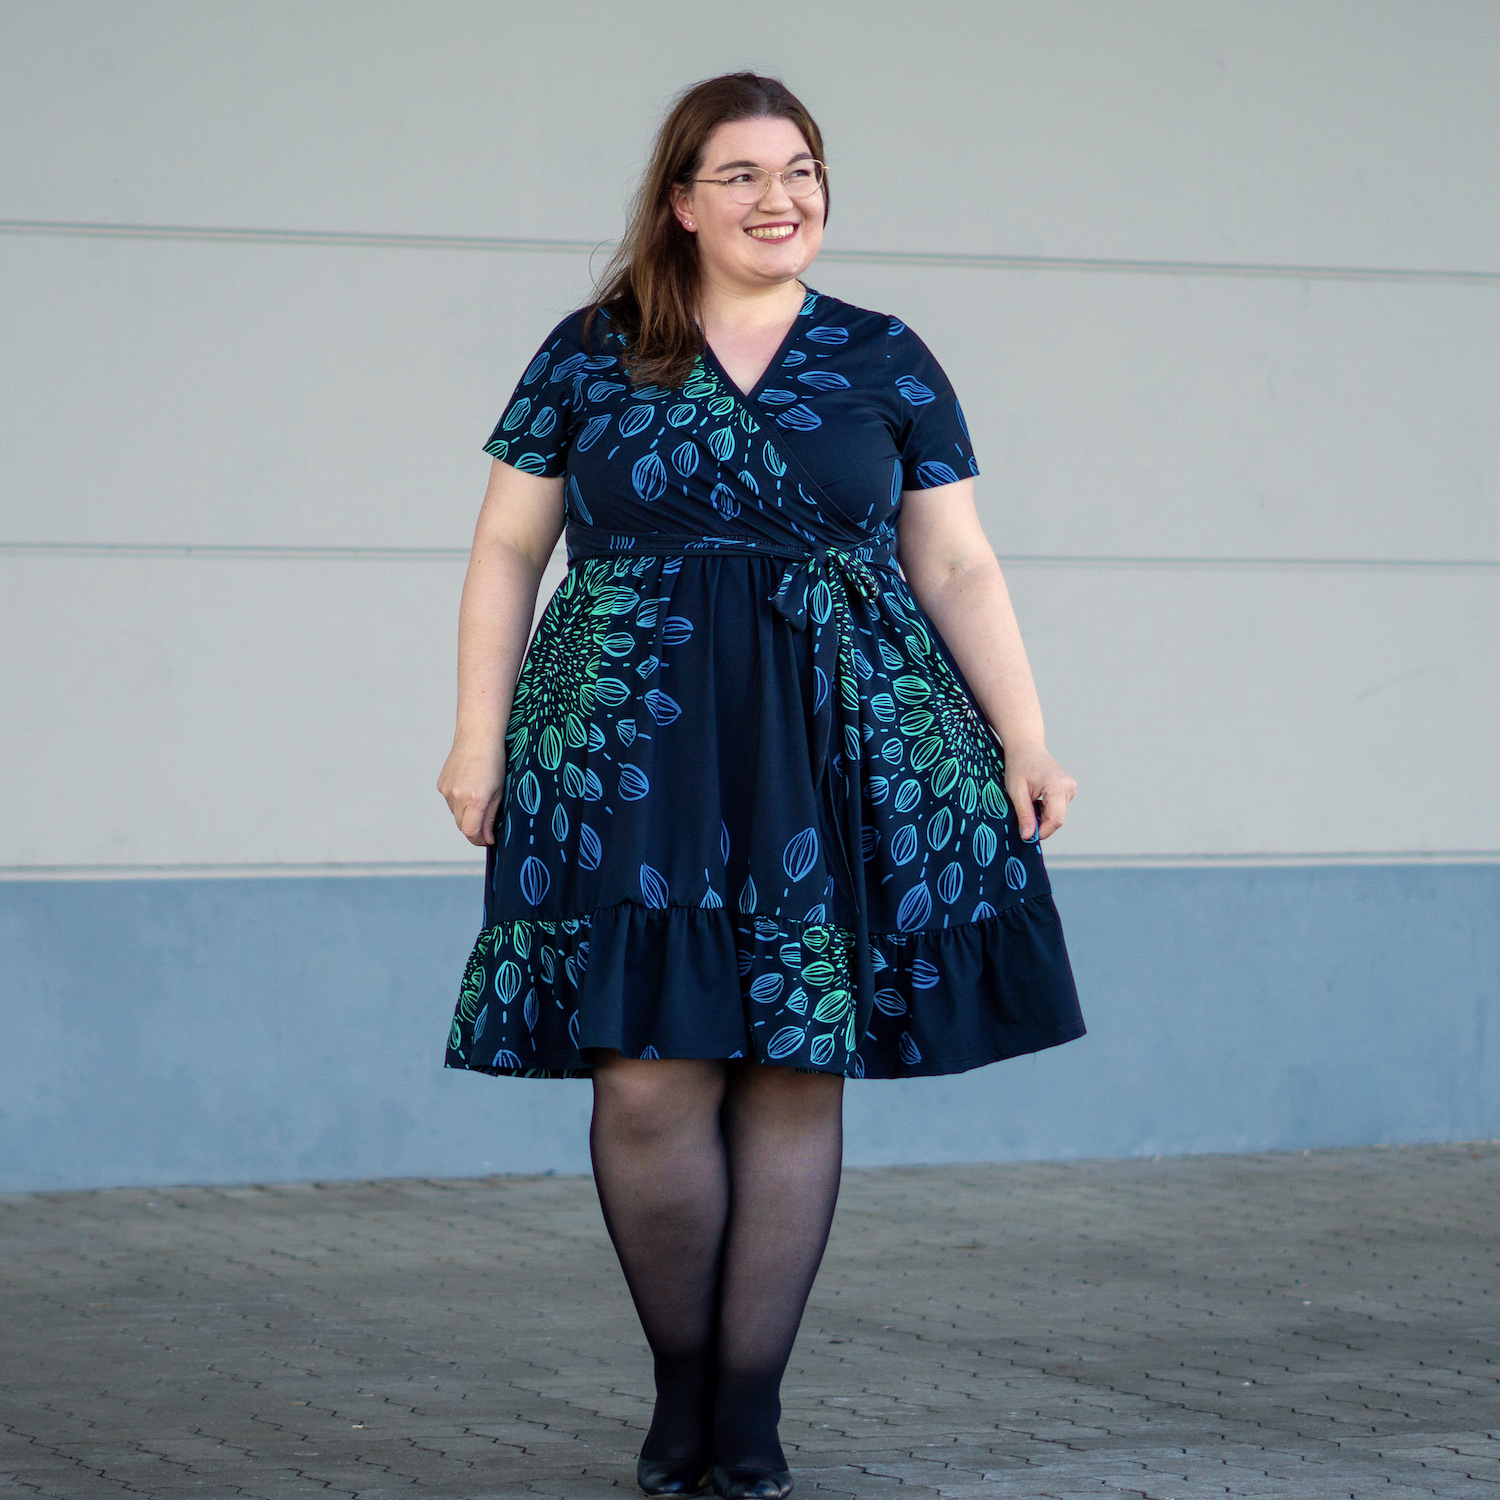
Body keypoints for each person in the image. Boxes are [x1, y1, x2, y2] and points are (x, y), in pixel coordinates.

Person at [438, 72, 1085, 1500]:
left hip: (834, 741)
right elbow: (507, 550)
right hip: (628, 743)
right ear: (680, 202)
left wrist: (1026, 736)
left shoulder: (884, 355)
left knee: (794, 1061)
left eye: (800, 170)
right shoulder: (591, 353)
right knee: (649, 1076)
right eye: (740, 174)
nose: (778, 197)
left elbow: (955, 560)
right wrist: (478, 738)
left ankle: (748, 1412)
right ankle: (681, 1389)